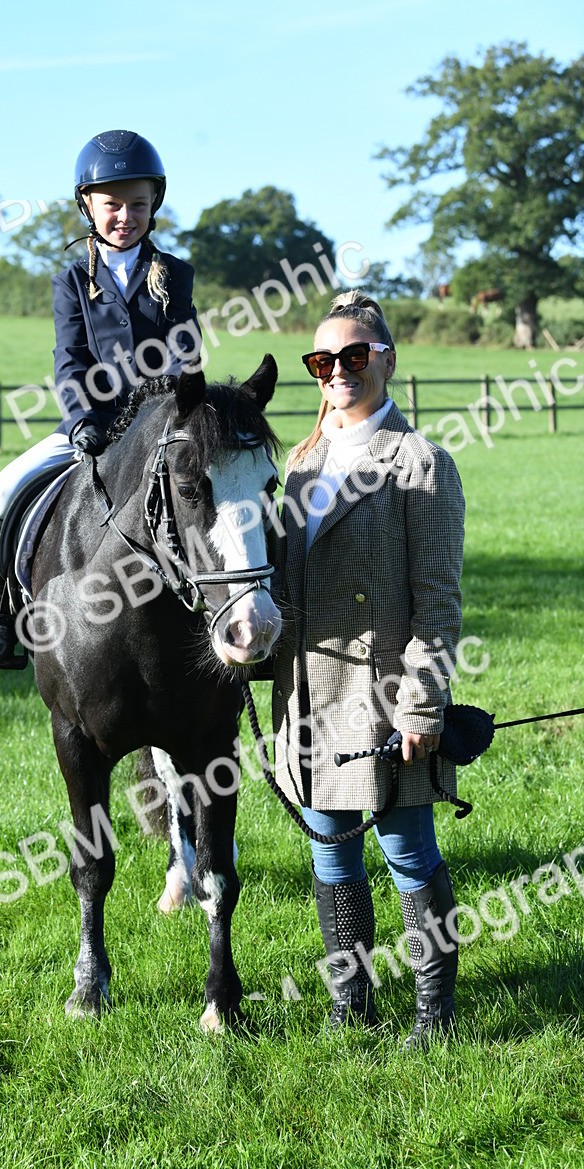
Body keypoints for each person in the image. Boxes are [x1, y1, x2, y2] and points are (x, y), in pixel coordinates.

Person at [272, 290, 466, 1049]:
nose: (339, 371)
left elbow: (440, 601)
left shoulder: (421, 463)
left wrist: (422, 706)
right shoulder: (303, 461)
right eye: (324, 361)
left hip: (382, 699)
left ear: (386, 358)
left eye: (355, 356)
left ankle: (433, 1013)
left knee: (408, 851)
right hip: (309, 696)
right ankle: (351, 1002)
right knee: (330, 849)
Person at [0, 129, 200, 668]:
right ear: (88, 207)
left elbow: (183, 354)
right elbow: (70, 359)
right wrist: (81, 421)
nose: (126, 216)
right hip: (88, 427)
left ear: (154, 205)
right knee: (3, 490)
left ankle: (241, 605)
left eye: (138, 205)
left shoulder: (175, 275)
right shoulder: (71, 282)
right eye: (112, 205)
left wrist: (167, 415)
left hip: (159, 427)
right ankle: (2, 614)